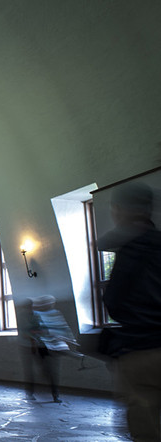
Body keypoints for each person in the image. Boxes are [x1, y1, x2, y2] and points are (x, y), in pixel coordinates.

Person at [98, 182, 161, 441]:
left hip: (140, 349)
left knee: (145, 424)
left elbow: (114, 301)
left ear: (118, 209)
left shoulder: (130, 249)